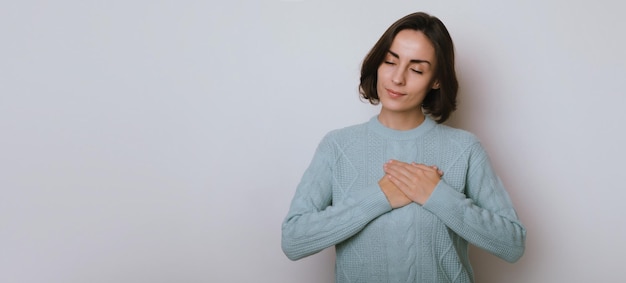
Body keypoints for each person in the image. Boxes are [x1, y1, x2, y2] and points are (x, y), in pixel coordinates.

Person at [281, 11, 526, 283]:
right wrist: (379, 197)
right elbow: (293, 240)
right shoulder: (337, 146)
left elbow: (512, 244)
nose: (398, 78)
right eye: (390, 61)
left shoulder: (464, 149)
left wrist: (436, 195)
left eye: (417, 69)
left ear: (436, 80)